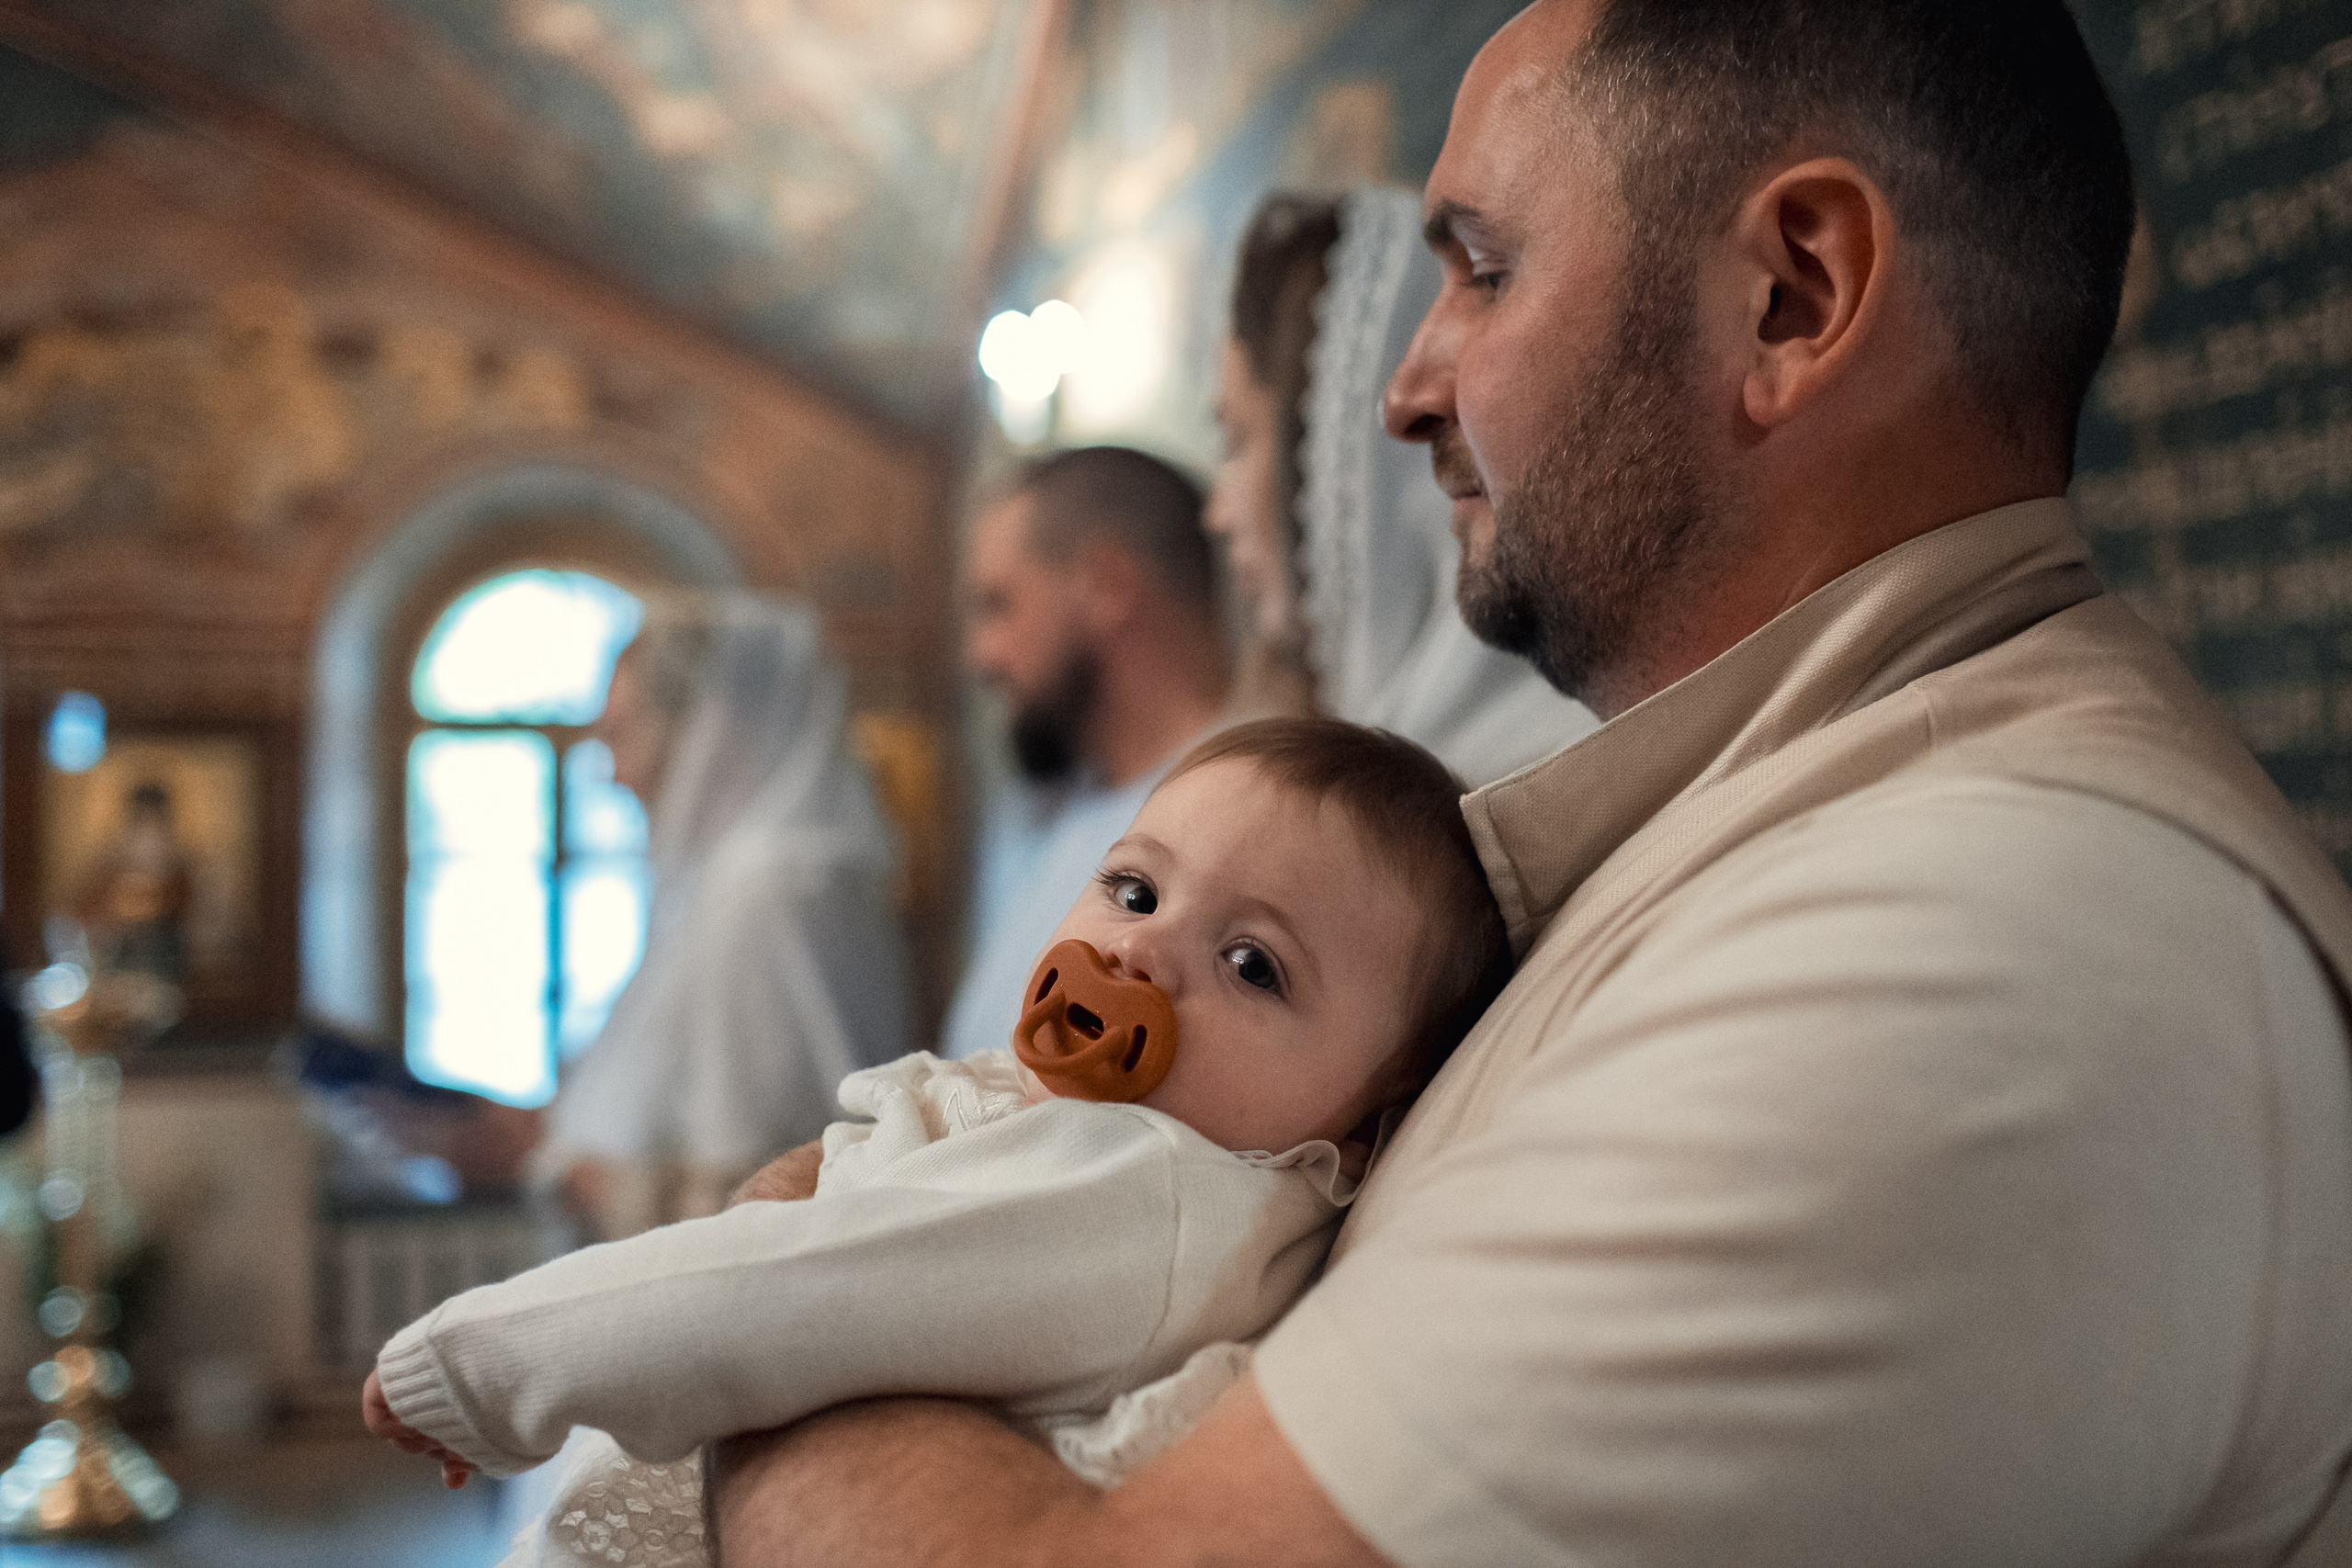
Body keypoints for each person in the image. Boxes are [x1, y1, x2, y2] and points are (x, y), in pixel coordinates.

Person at [707, 3, 2352, 1565]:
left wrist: (783, 1280)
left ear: (1793, 292)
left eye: (1483, 272)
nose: (1407, 388)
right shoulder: (1771, 821)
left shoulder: (1987, 936)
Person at [362, 719, 1508, 1568]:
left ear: (1362, 1126)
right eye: (1132, 887)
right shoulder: (1102, 1132)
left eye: (1252, 964)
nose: (1142, 958)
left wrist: (480, 1360)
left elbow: (787, 1287)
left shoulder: (1149, 1184)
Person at [534, 593, 911, 1241]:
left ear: (712, 728)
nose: (614, 776)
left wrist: (568, 1175)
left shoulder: (764, 890)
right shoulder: (742, 879)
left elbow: (751, 1188)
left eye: (621, 736)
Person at [1212, 188, 1596, 784]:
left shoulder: (1534, 771)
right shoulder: (1387, 743)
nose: (1217, 512)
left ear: (1355, 459)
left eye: (1237, 440)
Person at [941, 447, 1231, 1062]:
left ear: (1107, 585)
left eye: (998, 604)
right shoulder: (1071, 807)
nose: (982, 656)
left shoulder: (1243, 817)